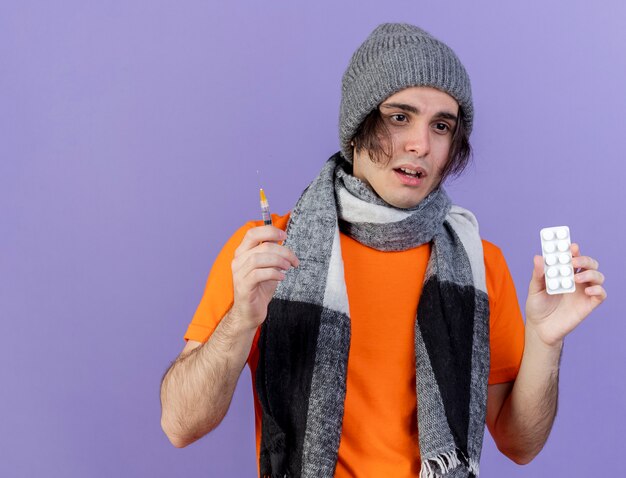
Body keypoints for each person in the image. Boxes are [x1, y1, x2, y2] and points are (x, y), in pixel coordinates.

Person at [160, 23, 606, 477]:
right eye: (399, 117)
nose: (420, 144)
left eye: (441, 126)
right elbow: (181, 425)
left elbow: (520, 444)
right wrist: (241, 321)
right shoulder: (267, 252)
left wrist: (546, 342)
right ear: (357, 127)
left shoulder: (476, 263)